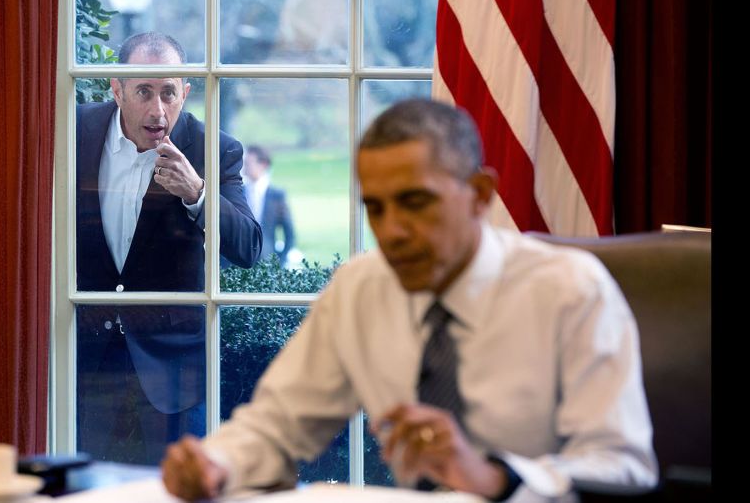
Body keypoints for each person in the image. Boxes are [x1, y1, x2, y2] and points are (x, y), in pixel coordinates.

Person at [161, 99, 657, 500]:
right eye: (376, 208)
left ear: (481, 195)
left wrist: (493, 478)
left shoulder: (571, 291)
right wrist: (216, 464)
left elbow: (623, 463)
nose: (392, 231)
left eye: (416, 202)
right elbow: (277, 425)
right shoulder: (361, 288)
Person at [75, 32, 262, 465]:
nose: (159, 110)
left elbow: (249, 247)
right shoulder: (74, 132)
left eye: (169, 93)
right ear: (117, 89)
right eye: (144, 91)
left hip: (174, 371)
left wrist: (198, 192)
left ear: (186, 93)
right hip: (84, 358)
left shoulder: (214, 148)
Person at [242, 145, 296, 267]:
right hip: (239, 264)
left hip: (267, 263)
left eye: (248, 163)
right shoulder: (239, 192)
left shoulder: (277, 195)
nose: (244, 167)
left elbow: (289, 233)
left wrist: (280, 262)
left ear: (263, 165)